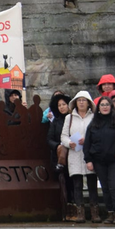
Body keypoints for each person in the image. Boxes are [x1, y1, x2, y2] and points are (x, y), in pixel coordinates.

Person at [83, 96, 115, 224]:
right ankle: (110, 212)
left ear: (111, 106)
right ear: (98, 107)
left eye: (107, 104)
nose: (105, 107)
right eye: (102, 105)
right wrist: (88, 160)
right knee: (105, 188)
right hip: (99, 161)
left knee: (114, 186)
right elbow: (87, 143)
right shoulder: (93, 124)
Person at [61, 90, 97, 223]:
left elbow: (98, 134)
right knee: (77, 184)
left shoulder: (94, 117)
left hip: (90, 155)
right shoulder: (69, 118)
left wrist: (87, 140)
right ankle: (80, 212)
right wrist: (69, 143)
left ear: (89, 103)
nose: (81, 102)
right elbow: (64, 135)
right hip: (75, 154)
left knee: (92, 184)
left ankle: (94, 213)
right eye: (79, 100)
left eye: (84, 100)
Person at [46, 91, 72, 221]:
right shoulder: (56, 121)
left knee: (74, 184)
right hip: (60, 158)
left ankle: (76, 209)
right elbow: (49, 139)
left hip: (73, 155)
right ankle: (65, 211)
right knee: (63, 185)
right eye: (59, 105)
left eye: (64, 104)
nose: (62, 107)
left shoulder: (73, 119)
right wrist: (57, 146)